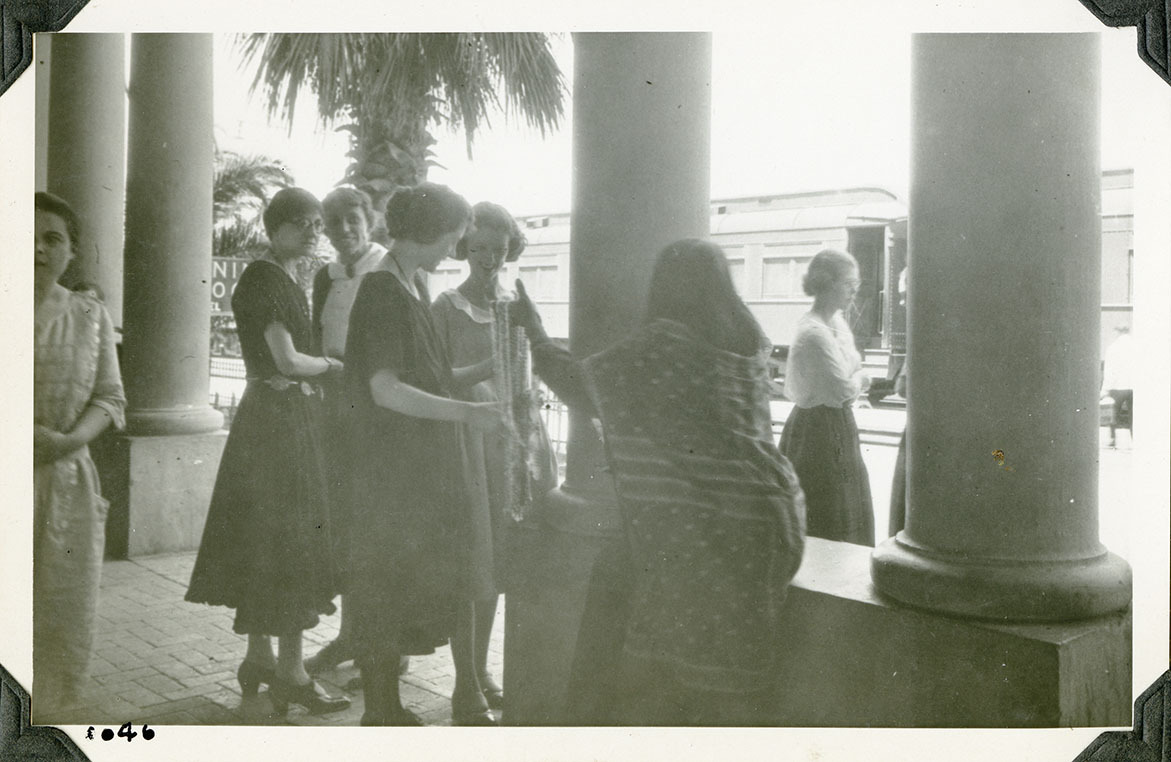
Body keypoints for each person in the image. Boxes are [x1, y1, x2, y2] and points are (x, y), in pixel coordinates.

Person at [511, 239, 806, 726]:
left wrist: (535, 331)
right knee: (726, 687)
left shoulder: (662, 346)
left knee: (648, 671)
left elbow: (581, 385)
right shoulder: (746, 338)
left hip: (707, 529)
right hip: (771, 519)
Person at [185, 188, 350, 717]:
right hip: (280, 426)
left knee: (266, 541)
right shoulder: (268, 278)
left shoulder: (274, 277)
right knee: (293, 542)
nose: (312, 232)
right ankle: (292, 674)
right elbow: (286, 361)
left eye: (317, 224)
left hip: (266, 421)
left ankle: (260, 658)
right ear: (273, 226)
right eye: (300, 222)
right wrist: (331, 367)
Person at [344, 182, 504, 726]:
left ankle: (386, 705)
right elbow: (384, 388)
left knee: (399, 580)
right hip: (390, 471)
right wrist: (467, 414)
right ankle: (381, 710)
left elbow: (431, 377)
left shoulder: (409, 284)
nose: (454, 251)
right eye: (454, 239)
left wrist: (490, 371)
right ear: (430, 233)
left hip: (411, 468)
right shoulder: (384, 292)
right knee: (386, 581)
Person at [430, 201, 557, 712]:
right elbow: (437, 378)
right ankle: (465, 686)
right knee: (473, 564)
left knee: (501, 566)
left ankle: (482, 671)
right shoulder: (445, 306)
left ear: (510, 252)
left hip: (518, 442)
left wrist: (529, 379)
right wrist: (492, 361)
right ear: (464, 248)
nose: (488, 260)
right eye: (479, 249)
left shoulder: (516, 302)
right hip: (472, 444)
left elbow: (538, 365)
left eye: (498, 251)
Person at [33, 192, 127, 719]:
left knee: (58, 612)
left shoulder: (89, 315)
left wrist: (69, 441)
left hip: (65, 484)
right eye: (30, 236)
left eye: (54, 239)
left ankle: (44, 722)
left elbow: (110, 398)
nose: (40, 249)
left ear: (71, 252)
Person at [303, 187, 388, 678]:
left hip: (378, 409)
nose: (344, 231)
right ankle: (351, 636)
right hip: (337, 409)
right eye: (333, 224)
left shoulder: (389, 268)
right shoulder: (326, 276)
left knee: (377, 525)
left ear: (370, 220)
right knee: (347, 525)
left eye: (352, 220)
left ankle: (386, 646)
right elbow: (316, 338)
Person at [780, 249, 875, 547]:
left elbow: (851, 369)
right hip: (817, 431)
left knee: (843, 507)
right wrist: (859, 379)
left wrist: (852, 376)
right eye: (849, 283)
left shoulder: (837, 325)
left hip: (837, 425)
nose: (854, 291)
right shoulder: (814, 333)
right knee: (826, 509)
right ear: (827, 283)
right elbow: (843, 390)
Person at [1101, 325, 1134, 448]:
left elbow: (1109, 371)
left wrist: (1105, 389)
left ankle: (1113, 439)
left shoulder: (1112, 348)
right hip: (1134, 386)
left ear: (1117, 331)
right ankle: (1135, 439)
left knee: (1114, 413)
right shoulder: (1136, 346)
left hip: (1117, 386)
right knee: (1134, 414)